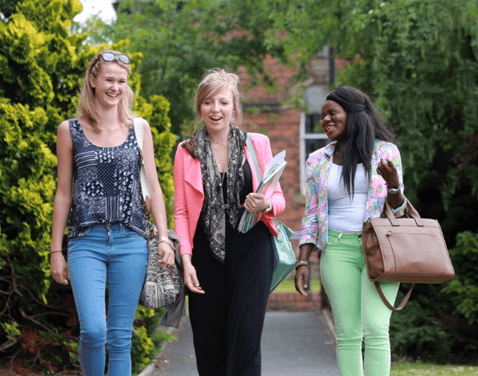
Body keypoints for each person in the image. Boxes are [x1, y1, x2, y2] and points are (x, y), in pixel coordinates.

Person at [50, 49, 174, 376]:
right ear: (92, 80)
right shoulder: (70, 131)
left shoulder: (139, 129)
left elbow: (154, 189)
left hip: (130, 240)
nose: (115, 87)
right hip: (85, 241)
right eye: (108, 79)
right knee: (93, 330)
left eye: (121, 81)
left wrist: (163, 237)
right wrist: (55, 250)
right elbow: (63, 194)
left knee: (120, 338)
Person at [174, 68, 286, 376]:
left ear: (234, 107)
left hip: (253, 247)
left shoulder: (257, 144)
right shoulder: (186, 151)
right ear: (200, 107)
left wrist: (266, 204)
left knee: (246, 338)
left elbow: (278, 199)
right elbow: (182, 212)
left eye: (223, 102)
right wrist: (186, 260)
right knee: (209, 344)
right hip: (204, 253)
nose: (216, 110)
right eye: (208, 102)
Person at [295, 86, 407, 376]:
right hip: (337, 248)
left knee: (376, 327)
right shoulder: (317, 160)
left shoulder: (385, 152)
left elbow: (398, 212)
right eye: (323, 116)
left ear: (354, 115)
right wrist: (304, 259)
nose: (326, 120)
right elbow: (311, 214)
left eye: (333, 113)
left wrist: (394, 186)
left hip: (380, 249)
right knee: (347, 332)